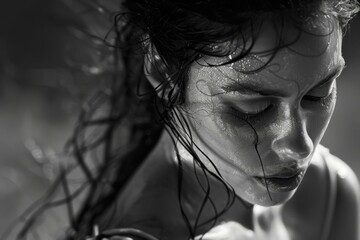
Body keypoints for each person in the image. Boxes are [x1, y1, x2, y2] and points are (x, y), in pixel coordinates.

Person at [9, 0, 360, 239]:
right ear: (162, 71)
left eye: (319, 94)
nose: (300, 145)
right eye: (252, 109)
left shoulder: (328, 191)